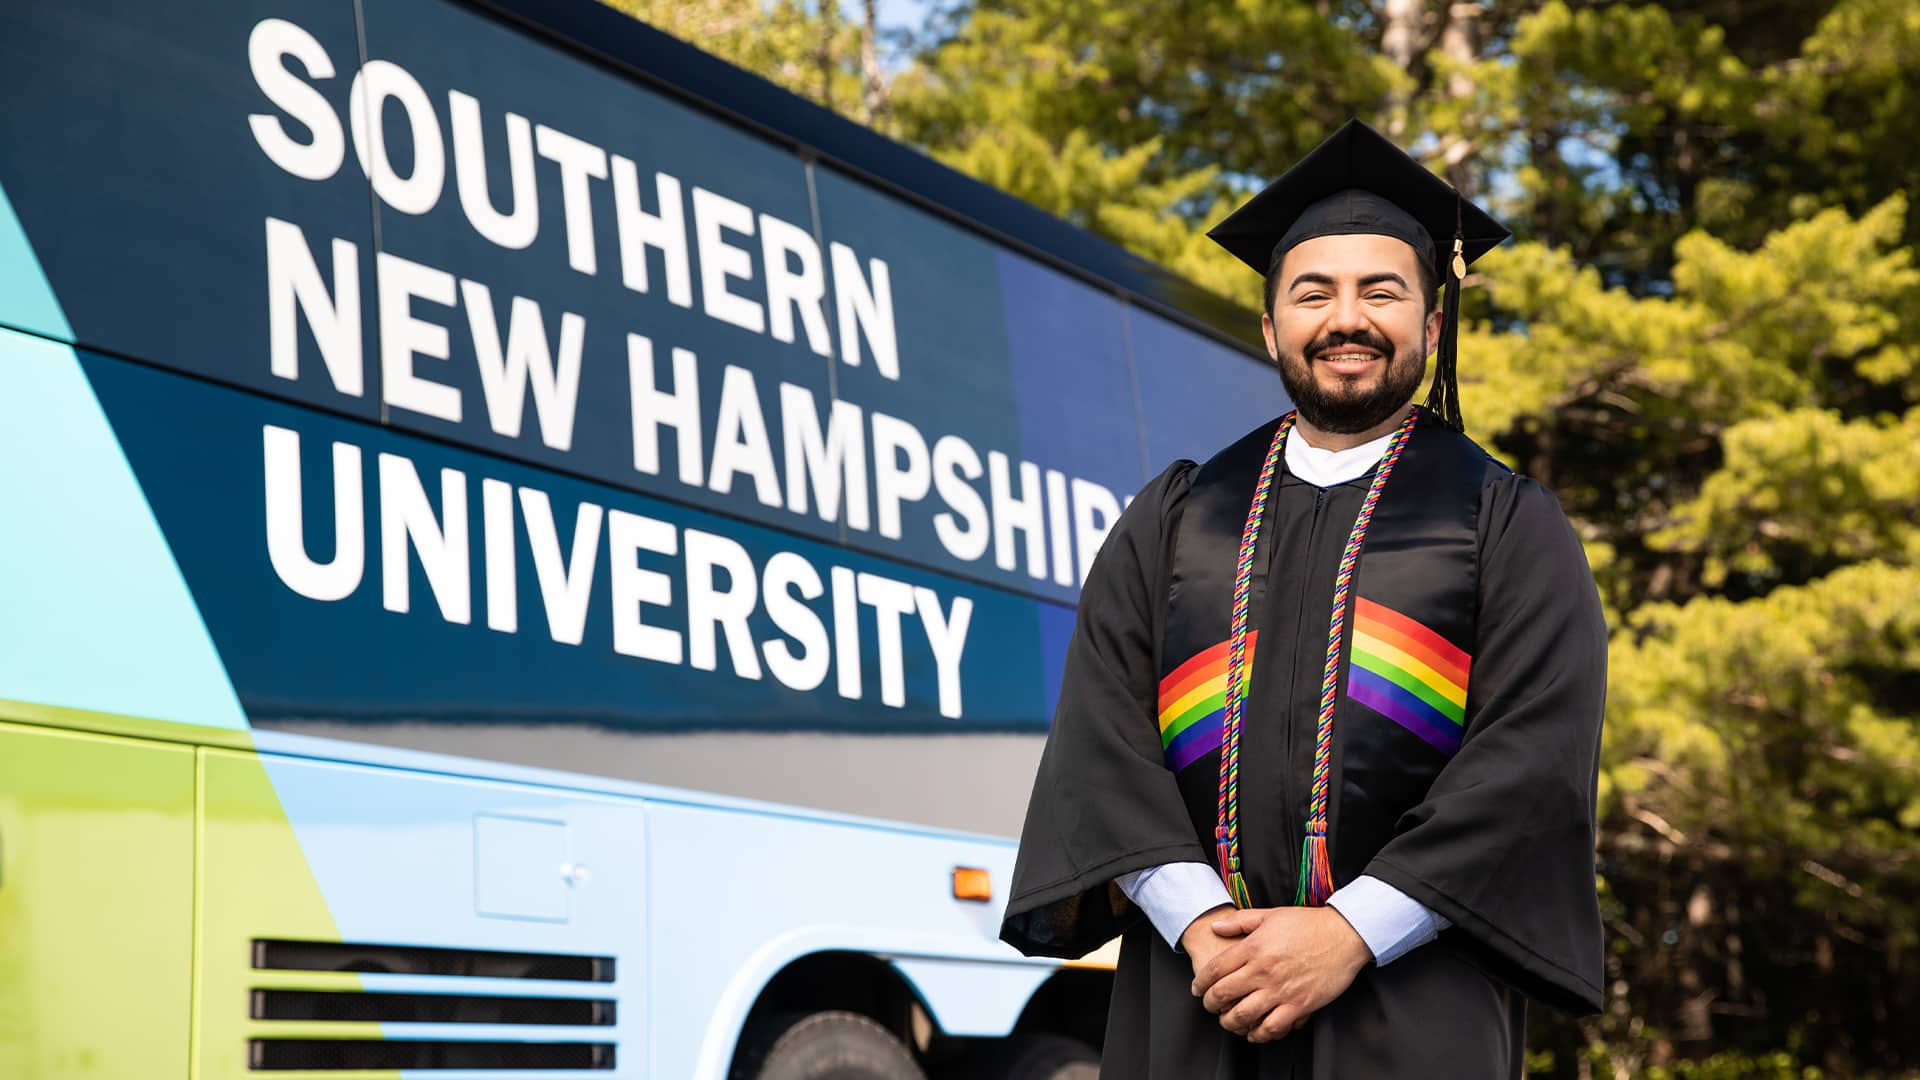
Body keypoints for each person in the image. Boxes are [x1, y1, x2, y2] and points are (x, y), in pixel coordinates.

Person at [999, 118, 1608, 1078]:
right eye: (1313, 292)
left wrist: (1350, 935)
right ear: (1272, 324)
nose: (1348, 318)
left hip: (1414, 995)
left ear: (1432, 324)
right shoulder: (1177, 517)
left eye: (1384, 291)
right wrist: (1201, 926)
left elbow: (1532, 761)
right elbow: (1100, 739)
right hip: (1197, 991)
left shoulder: (1503, 523)